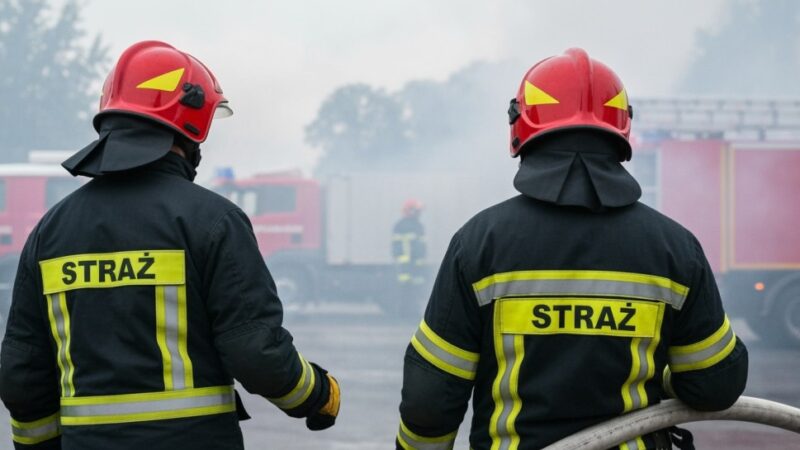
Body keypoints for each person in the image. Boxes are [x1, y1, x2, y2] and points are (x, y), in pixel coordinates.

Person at [395, 48, 748, 450]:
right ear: (621, 128)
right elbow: (717, 384)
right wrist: (664, 375)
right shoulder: (674, 249)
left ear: (520, 125)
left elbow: (429, 399)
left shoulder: (479, 244)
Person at [0, 41, 340, 450]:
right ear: (190, 122)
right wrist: (318, 395)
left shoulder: (49, 232)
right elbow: (255, 352)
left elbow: (22, 373)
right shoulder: (214, 221)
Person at [391, 199, 427, 317]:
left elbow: (421, 247)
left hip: (415, 267)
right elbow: (397, 247)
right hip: (407, 267)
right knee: (406, 291)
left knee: (413, 292)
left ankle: (410, 314)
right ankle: (405, 314)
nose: (418, 214)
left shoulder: (416, 225)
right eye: (416, 211)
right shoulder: (404, 226)